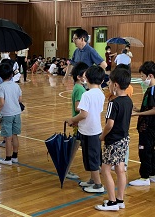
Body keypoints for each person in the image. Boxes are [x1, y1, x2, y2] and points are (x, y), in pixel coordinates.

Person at [95, 67, 133, 211]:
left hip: (113, 141)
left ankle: (112, 202)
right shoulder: (128, 101)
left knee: (105, 170)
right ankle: (120, 199)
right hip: (124, 139)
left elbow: (109, 124)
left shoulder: (113, 103)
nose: (108, 85)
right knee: (120, 169)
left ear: (115, 85)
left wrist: (102, 136)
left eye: (109, 82)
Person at [66, 65, 105, 193]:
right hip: (95, 129)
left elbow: (84, 114)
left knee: (91, 158)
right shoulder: (101, 93)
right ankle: (93, 180)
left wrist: (72, 120)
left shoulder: (87, 95)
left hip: (89, 131)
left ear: (86, 78)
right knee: (91, 157)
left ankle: (98, 185)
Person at [129, 61, 155, 186]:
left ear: (150, 76)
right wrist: (138, 110)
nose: (142, 79)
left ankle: (144, 177)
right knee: (150, 150)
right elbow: (148, 108)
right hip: (148, 126)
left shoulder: (153, 91)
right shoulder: (150, 90)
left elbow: (154, 110)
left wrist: (137, 114)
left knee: (144, 150)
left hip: (149, 127)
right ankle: (152, 173)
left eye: (142, 76)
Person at [0, 62, 22, 165]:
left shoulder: (0, 87)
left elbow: (1, 103)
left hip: (6, 114)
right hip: (17, 113)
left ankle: (8, 159)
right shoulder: (16, 86)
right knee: (15, 135)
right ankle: (15, 157)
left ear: (0, 75)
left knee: (8, 137)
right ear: (11, 75)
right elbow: (20, 99)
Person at [67, 61, 89, 179]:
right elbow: (77, 107)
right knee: (75, 146)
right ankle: (66, 168)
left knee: (76, 146)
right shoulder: (80, 89)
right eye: (85, 74)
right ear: (79, 77)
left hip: (79, 123)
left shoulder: (78, 87)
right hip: (79, 123)